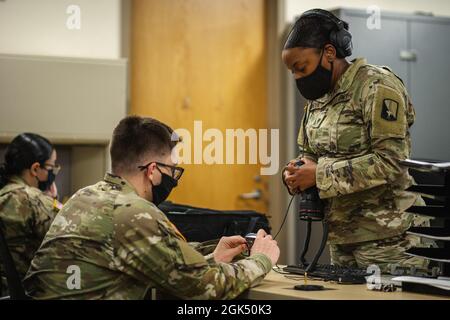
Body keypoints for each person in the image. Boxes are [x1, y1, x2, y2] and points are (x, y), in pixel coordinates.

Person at [24, 116, 280, 300]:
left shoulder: (84, 196)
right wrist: (261, 259)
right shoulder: (134, 212)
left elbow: (162, 266)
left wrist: (214, 258)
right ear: (153, 170)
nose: (174, 179)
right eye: (173, 170)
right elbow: (203, 290)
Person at [281, 9, 428, 272]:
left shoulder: (376, 86)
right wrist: (297, 172)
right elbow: (309, 153)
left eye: (301, 68)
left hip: (390, 239)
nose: (298, 78)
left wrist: (319, 175)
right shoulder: (319, 98)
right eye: (292, 71)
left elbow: (392, 161)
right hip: (342, 238)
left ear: (329, 52)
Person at [0, 133, 61, 294]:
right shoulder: (33, 200)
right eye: (51, 167)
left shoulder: (4, 194)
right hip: (23, 293)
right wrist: (53, 201)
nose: (53, 172)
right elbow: (67, 242)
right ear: (35, 169)